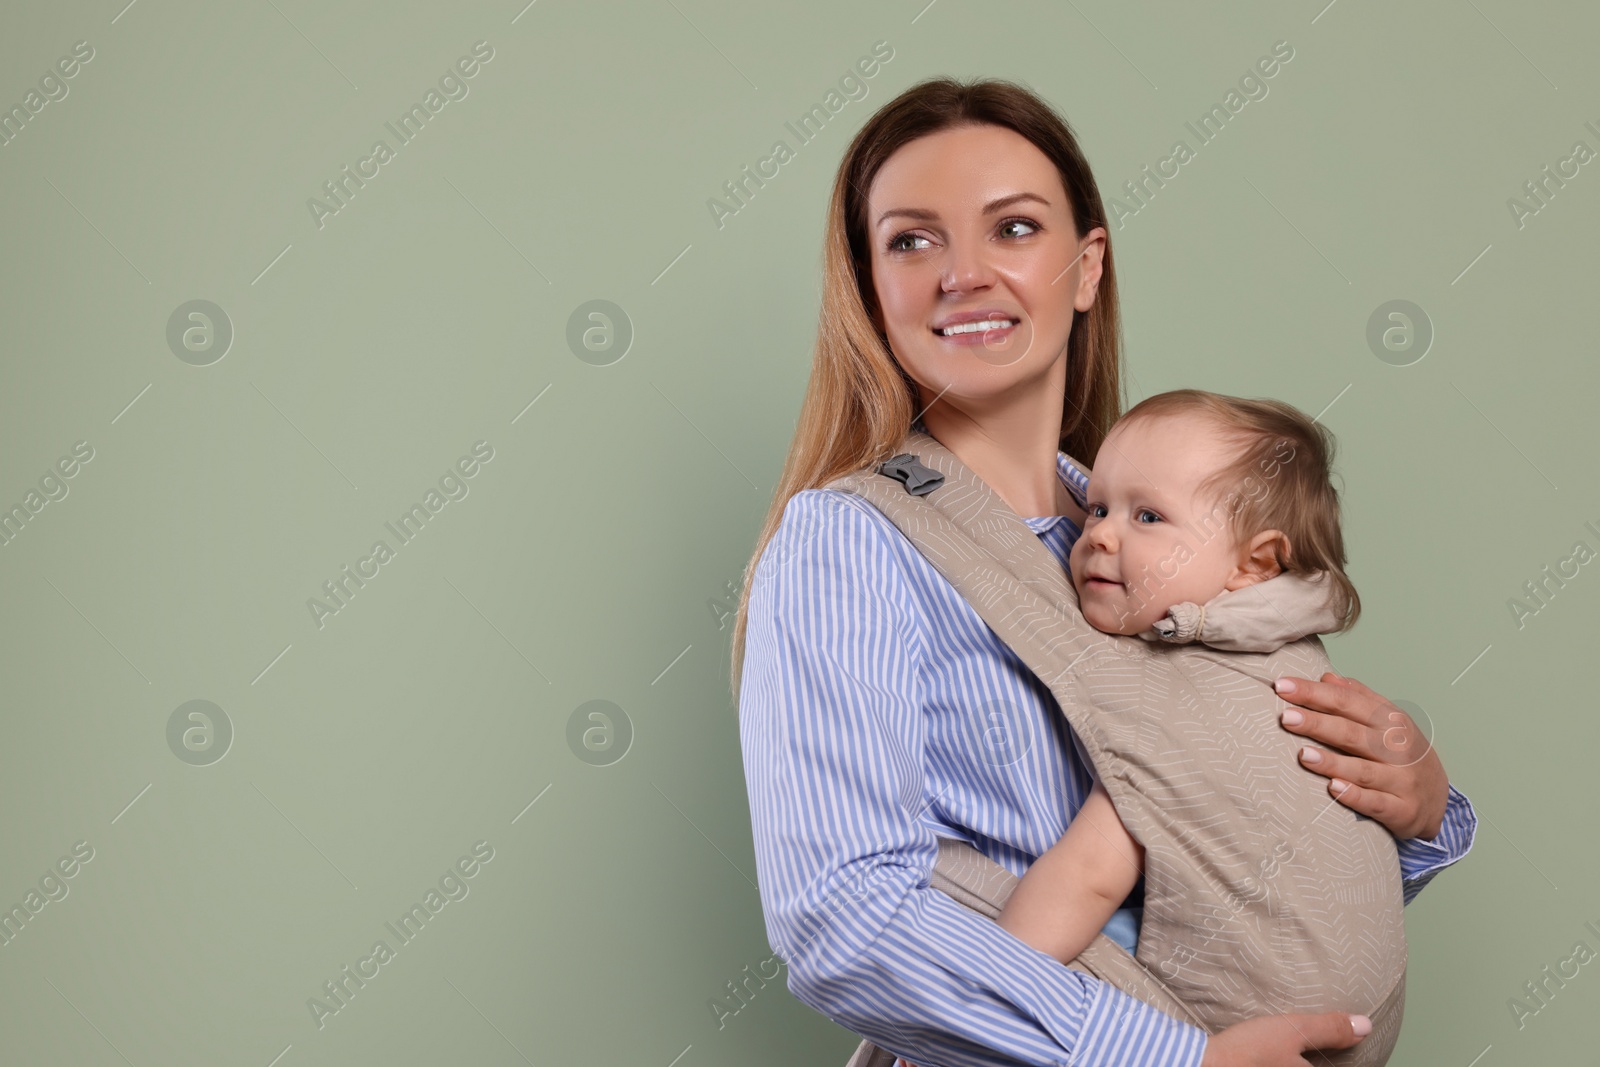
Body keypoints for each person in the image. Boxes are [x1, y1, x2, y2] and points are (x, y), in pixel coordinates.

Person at [732, 77, 1476, 1067]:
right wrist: (1172, 1060)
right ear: (869, 285)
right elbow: (843, 918)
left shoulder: (1165, 536)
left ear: (1085, 268)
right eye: (912, 239)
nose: (962, 273)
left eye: (1013, 227)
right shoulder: (851, 542)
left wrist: (1413, 809)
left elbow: (1224, 872)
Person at [992, 387, 1409, 984]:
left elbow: (1090, 873)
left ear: (1256, 564)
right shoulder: (1291, 649)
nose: (1099, 536)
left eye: (1149, 517)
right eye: (1099, 507)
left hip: (1239, 1007)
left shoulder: (1183, 692)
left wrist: (968, 1007)